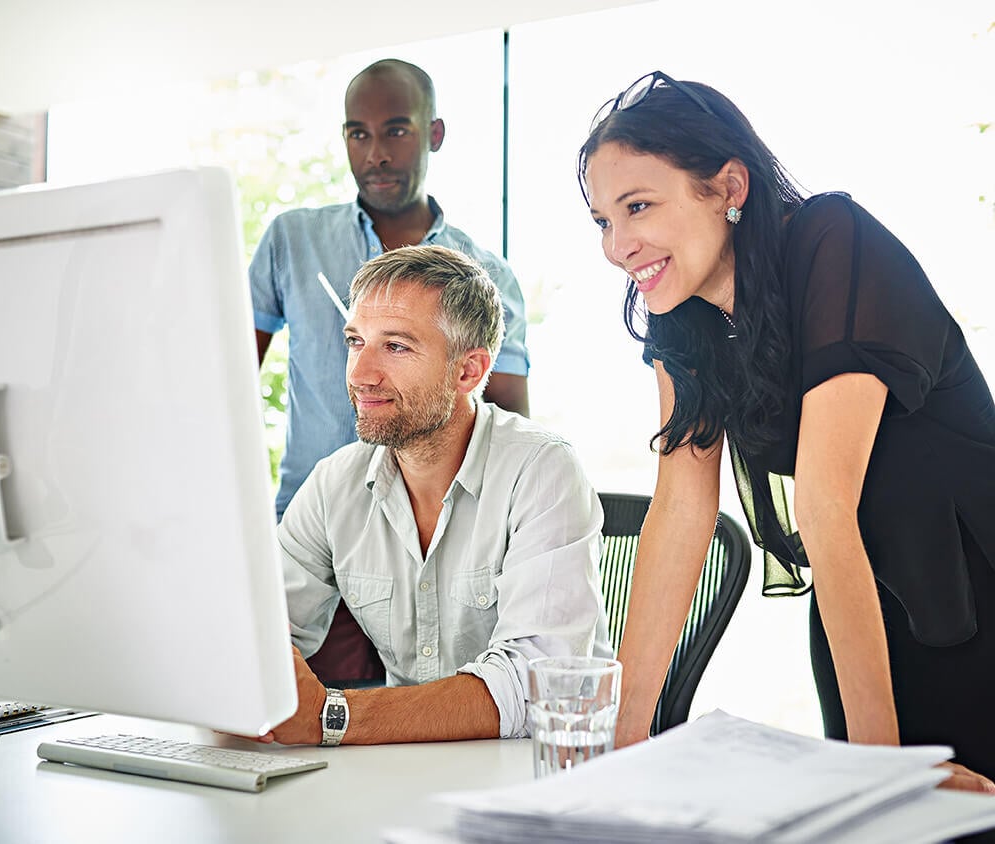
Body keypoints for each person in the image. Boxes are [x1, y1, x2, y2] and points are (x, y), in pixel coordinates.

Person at [577, 71, 995, 792]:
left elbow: (825, 505)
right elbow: (681, 511)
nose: (618, 246)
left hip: (977, 590)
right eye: (603, 221)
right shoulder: (683, 315)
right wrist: (624, 735)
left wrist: (881, 769)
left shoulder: (835, 242)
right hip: (859, 611)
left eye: (637, 206)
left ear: (729, 188)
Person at [258, 244, 610, 746]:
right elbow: (263, 629)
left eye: (396, 347)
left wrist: (330, 717)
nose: (360, 375)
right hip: (402, 768)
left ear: (468, 371)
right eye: (356, 342)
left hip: (532, 777)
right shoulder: (335, 482)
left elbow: (536, 687)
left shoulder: (542, 471)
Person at [249, 58, 531, 681]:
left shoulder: (487, 276)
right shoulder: (292, 240)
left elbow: (507, 422)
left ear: (434, 135)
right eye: (358, 133)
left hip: (440, 552)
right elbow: (227, 384)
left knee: (432, 716)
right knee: (305, 727)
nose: (375, 153)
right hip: (317, 543)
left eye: (396, 131)